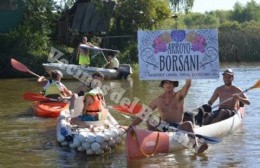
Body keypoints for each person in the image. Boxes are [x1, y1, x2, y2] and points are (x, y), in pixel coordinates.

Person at [129, 79, 208, 154]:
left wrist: (189, 73)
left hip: (178, 127)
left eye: (170, 82)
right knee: (149, 118)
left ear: (174, 85)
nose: (168, 84)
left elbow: (187, 85)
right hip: (164, 128)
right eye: (166, 82)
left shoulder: (179, 96)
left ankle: (196, 148)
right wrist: (131, 125)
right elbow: (143, 114)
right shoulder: (158, 100)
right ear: (163, 85)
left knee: (188, 123)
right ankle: (151, 141)